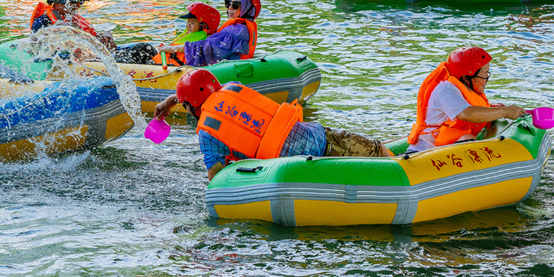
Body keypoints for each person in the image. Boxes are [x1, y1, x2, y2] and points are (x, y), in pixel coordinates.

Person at [154, 70, 393, 180]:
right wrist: (172, 100)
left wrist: (173, 100)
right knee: (377, 150)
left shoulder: (207, 133)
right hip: (320, 139)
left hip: (295, 170)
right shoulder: (232, 87)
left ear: (190, 106)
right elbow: (204, 87)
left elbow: (215, 177)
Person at [406, 47, 527, 153]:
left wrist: (491, 109)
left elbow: (467, 110)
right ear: (466, 77)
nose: (487, 80)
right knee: (467, 138)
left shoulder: (461, 87)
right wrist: (505, 112)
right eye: (484, 75)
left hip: (442, 149)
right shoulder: (446, 89)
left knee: (467, 138)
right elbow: (467, 114)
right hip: (424, 153)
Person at [158, 0, 259, 67]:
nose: (230, 7)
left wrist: (171, 48)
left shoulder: (237, 30)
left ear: (246, 7)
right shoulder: (240, 27)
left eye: (236, 5)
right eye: (228, 4)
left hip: (225, 72)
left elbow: (204, 49)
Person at [30, 0, 117, 51]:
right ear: (57, 1)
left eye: (80, 1)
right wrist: (55, 29)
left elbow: (88, 41)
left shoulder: (76, 19)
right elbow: (33, 44)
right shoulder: (43, 21)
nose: (78, 5)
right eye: (73, 1)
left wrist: (102, 37)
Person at [151, 2, 221, 66]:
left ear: (204, 26)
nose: (188, 26)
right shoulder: (190, 33)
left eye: (193, 23)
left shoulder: (202, 43)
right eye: (188, 22)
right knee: (143, 47)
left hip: (171, 67)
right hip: (160, 62)